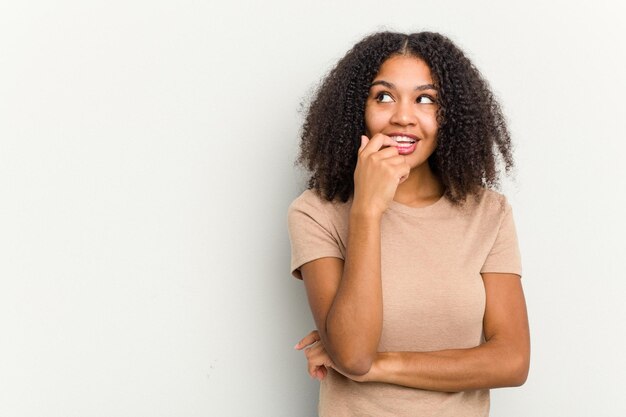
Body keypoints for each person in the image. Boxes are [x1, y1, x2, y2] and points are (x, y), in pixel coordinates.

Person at [287, 31, 529, 417]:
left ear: (449, 115)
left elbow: (512, 361)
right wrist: (366, 209)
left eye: (425, 99)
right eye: (383, 96)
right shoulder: (317, 212)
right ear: (356, 109)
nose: (402, 116)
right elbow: (351, 353)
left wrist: (379, 365)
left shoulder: (489, 213)